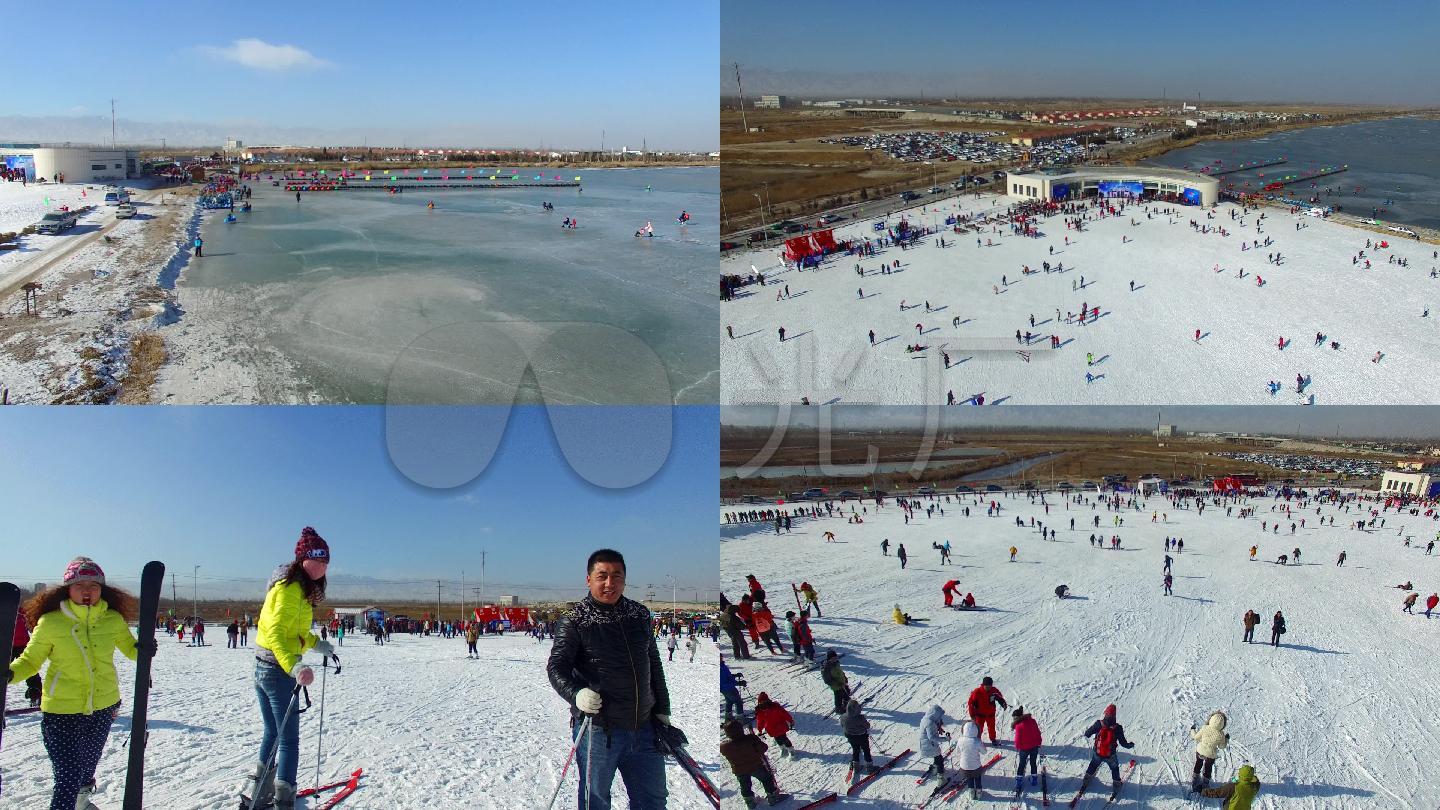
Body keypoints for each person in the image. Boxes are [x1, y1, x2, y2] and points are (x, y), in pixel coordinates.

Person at [6, 557, 143, 810]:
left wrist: (144, 647)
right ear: (67, 589)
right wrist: (10, 674)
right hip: (61, 711)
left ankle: (80, 804)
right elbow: (30, 660)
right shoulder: (51, 622)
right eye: (80, 585)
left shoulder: (112, 619)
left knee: (87, 768)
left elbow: (131, 650)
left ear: (103, 590)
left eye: (94, 585)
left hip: (103, 706)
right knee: (68, 776)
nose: (88, 590)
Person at [546, 548, 670, 810]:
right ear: (589, 579)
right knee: (596, 802)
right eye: (602, 576)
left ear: (625, 579)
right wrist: (576, 693)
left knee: (653, 801)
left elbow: (654, 665)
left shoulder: (639, 614)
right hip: (599, 731)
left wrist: (662, 710)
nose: (609, 583)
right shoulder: (575, 619)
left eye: (617, 576)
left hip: (645, 728)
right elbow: (557, 667)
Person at [241, 528, 336, 810]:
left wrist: (319, 645)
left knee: (273, 732)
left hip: (266, 668)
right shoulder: (291, 588)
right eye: (315, 559)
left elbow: (296, 633)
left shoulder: (299, 588)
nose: (320, 566)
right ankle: (284, 798)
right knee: (289, 741)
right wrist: (294, 665)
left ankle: (258, 793)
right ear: (301, 560)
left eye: (325, 561)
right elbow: (277, 633)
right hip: (277, 671)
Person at [721, 720, 789, 808]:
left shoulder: (724, 747)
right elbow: (764, 748)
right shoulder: (750, 739)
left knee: (745, 786)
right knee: (767, 779)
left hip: (739, 770)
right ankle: (773, 797)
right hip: (756, 766)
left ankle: (750, 802)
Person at [1078, 704, 1135, 801]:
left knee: (1093, 764)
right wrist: (1130, 745)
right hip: (1110, 755)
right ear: (1114, 715)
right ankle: (1116, 785)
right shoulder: (1117, 728)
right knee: (1114, 768)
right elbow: (1123, 743)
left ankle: (1086, 780)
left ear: (1106, 714)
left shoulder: (1098, 724)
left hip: (1098, 752)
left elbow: (1087, 733)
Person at [1190, 710, 1230, 792]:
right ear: (1223, 724)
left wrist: (1192, 730)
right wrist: (1226, 739)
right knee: (1208, 768)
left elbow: (1196, 737)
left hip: (1200, 751)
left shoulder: (1205, 728)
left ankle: (1195, 778)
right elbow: (1222, 746)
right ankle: (1205, 783)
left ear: (1211, 719)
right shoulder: (1221, 734)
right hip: (1211, 755)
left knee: (1198, 763)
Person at [754, 692, 799, 758]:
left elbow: (785, 714)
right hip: (771, 728)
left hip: (781, 726)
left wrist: (790, 720)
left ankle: (791, 750)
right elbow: (760, 722)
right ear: (759, 702)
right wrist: (760, 729)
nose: (764, 703)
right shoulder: (760, 711)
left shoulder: (775, 707)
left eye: (765, 701)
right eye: (761, 702)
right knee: (777, 739)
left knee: (784, 738)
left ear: (768, 701)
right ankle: (782, 748)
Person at [967, 676, 1009, 744]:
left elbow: (1000, 698)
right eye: (987, 686)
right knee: (979, 729)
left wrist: (1003, 703)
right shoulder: (977, 692)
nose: (989, 688)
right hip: (980, 715)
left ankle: (993, 739)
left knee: (991, 728)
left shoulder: (994, 690)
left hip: (990, 714)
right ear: (983, 685)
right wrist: (972, 715)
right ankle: (977, 740)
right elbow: (971, 704)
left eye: (990, 686)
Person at [954, 720, 988, 800]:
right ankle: (979, 792)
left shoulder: (960, 740)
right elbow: (984, 752)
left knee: (969, 779)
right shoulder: (977, 741)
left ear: (964, 730)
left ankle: (971, 792)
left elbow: (957, 752)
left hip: (964, 767)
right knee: (977, 778)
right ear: (976, 731)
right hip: (976, 767)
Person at [841, 699, 876, 776]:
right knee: (866, 750)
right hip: (861, 737)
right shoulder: (860, 718)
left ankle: (856, 766)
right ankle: (869, 767)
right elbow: (867, 726)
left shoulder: (843, 717)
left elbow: (842, 725)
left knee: (855, 750)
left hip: (850, 737)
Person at [1012, 706, 1043, 790]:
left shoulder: (1018, 726)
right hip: (1034, 747)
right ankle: (1034, 779)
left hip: (1024, 749)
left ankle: (1019, 780)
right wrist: (1039, 742)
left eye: (1014, 718)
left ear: (1018, 717)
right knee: (1033, 762)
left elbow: (1017, 740)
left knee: (1022, 764)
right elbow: (1037, 732)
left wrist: (1018, 747)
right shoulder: (1032, 721)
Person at [918, 704, 952, 780]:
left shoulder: (926, 719)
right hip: (930, 744)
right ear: (935, 714)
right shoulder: (930, 723)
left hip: (927, 743)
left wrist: (937, 727)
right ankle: (940, 779)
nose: (940, 717)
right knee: (940, 759)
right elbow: (932, 737)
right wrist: (945, 739)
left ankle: (935, 768)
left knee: (937, 756)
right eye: (939, 715)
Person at [821, 650, 850, 714]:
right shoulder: (826, 667)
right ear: (829, 659)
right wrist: (837, 683)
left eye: (836, 657)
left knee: (846, 691)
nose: (835, 659)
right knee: (838, 695)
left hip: (841, 681)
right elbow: (827, 679)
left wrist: (844, 677)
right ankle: (838, 708)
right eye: (833, 658)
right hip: (835, 685)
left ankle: (846, 702)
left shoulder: (836, 662)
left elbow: (840, 671)